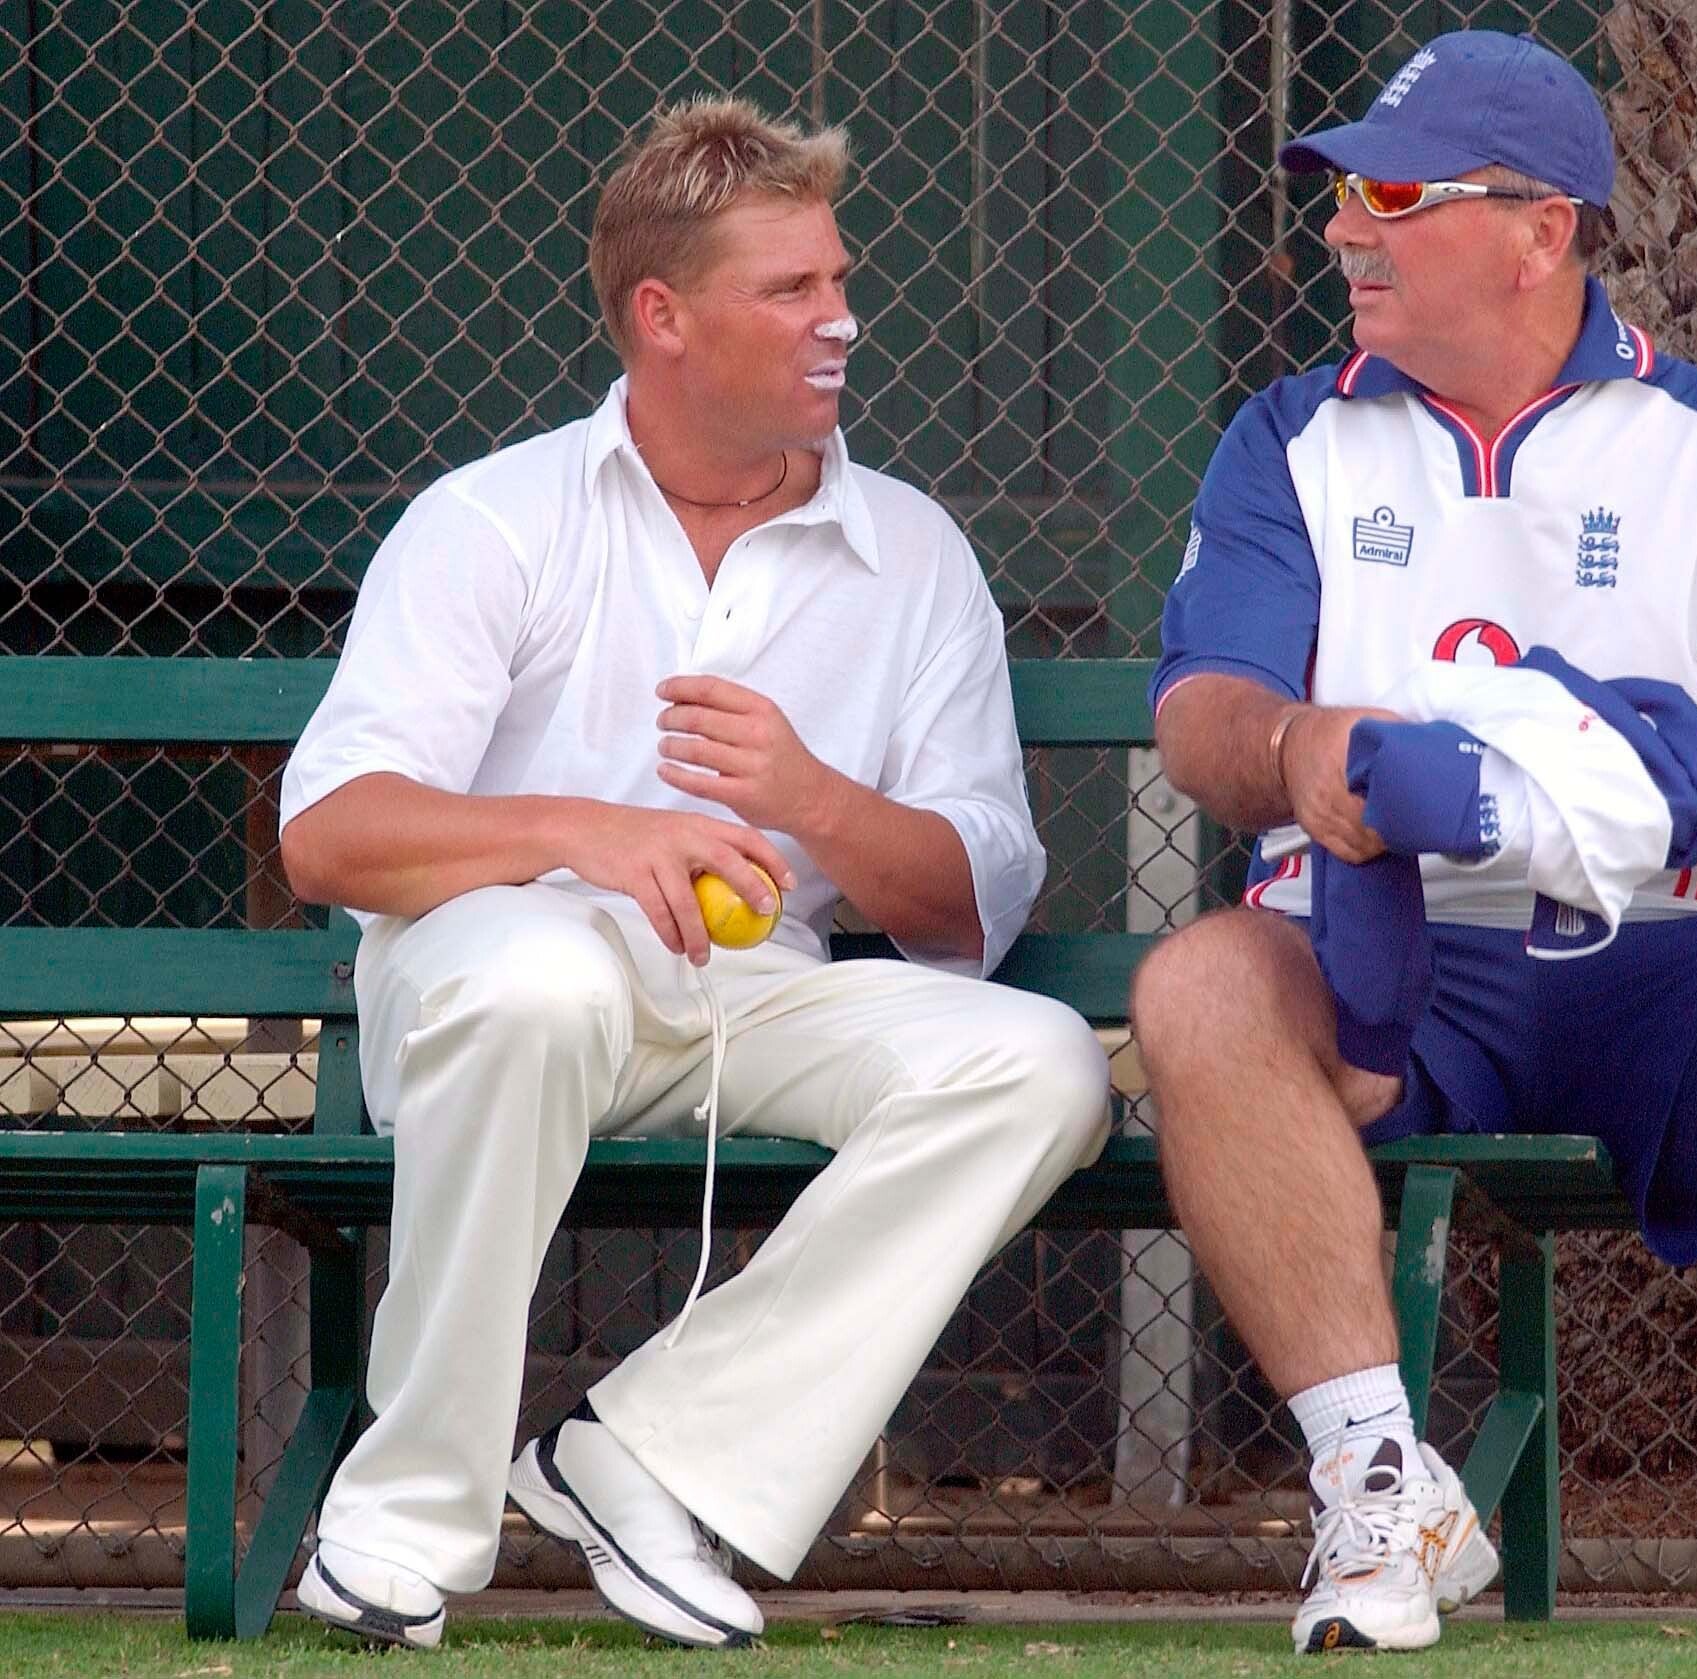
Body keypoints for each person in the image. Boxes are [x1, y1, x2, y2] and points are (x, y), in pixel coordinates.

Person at [1131, 30, 1697, 1653]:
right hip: (1381, 971)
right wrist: (1305, 748)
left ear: (1540, 229)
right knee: (1203, 984)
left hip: (1666, 965)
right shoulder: (1288, 436)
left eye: (1391, 195)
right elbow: (1206, 715)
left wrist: (1640, 789)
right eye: (1342, 196)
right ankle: (1377, 1484)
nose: (1344, 229)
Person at [277, 96, 1112, 1650]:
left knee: (1043, 1065)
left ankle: (650, 1460)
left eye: (841, 282)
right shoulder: (496, 520)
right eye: (792, 291)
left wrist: (817, 801)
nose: (842, 320)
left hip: (757, 990)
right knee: (532, 978)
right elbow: (331, 832)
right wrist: (585, 833)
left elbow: (973, 902)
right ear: (663, 317)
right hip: (500, 977)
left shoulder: (914, 551)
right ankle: (402, 1521)